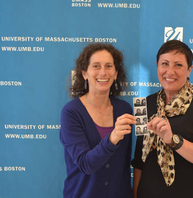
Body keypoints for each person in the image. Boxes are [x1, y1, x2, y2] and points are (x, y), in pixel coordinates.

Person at [132, 40, 193, 198]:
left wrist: (173, 140)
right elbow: (140, 161)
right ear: (157, 66)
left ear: (189, 70)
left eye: (178, 65)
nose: (170, 71)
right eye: (165, 64)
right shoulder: (145, 104)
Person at [60, 43, 136, 198]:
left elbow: (125, 164)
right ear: (84, 74)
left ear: (115, 73)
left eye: (109, 66)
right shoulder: (71, 112)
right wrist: (113, 138)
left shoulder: (124, 109)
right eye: (96, 66)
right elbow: (85, 164)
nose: (103, 72)